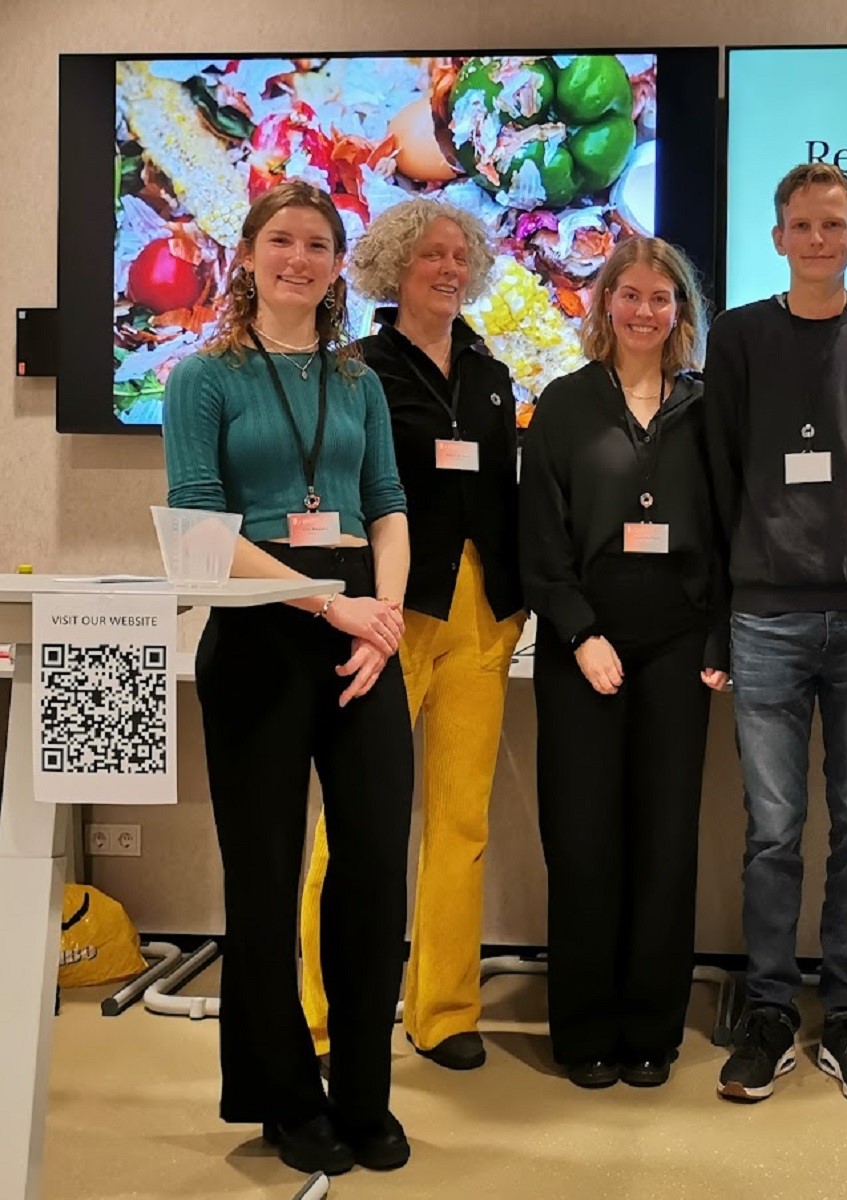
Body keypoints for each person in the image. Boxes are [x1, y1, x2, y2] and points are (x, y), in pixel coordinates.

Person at [162, 180, 412, 1176]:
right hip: (263, 624)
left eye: (317, 244)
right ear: (250, 255)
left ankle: (362, 1095)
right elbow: (194, 530)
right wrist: (328, 602)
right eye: (281, 241)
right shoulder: (202, 377)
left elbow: (388, 503)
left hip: (363, 630)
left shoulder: (357, 382)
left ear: (338, 263)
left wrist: (382, 619)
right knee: (265, 880)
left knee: (371, 874)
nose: (299, 259)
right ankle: (284, 1097)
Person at [704, 161, 847, 1106]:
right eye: (801, 225)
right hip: (765, 615)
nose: (817, 239)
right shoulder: (740, 336)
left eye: (834, 224)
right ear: (777, 237)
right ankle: (768, 1013)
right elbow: (721, 470)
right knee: (770, 831)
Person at [297, 198, 525, 1074]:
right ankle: (320, 1015)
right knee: (355, 824)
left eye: (460, 255)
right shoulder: (355, 369)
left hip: (481, 611)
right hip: (385, 614)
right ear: (395, 267)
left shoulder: (493, 372)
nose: (448, 269)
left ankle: (443, 1012)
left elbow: (502, 494)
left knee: (461, 821)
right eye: (431, 254)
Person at [520, 237, 723, 1089]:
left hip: (680, 650)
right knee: (584, 842)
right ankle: (584, 1031)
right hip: (583, 649)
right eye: (629, 295)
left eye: (661, 298)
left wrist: (717, 636)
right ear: (603, 304)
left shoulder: (710, 407)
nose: (645, 311)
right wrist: (578, 630)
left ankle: (652, 1030)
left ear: (682, 312)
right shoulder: (564, 405)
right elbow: (538, 540)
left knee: (666, 843)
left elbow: (730, 531)